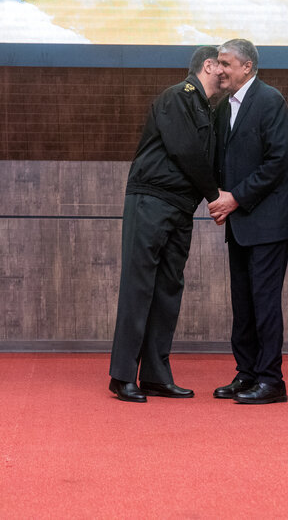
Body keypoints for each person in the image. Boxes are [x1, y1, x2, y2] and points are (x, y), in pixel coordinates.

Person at [108, 46, 225, 403]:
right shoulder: (177, 97)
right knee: (139, 285)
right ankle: (122, 375)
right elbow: (185, 149)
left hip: (178, 207)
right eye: (223, 65)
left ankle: (156, 376)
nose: (228, 72)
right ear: (209, 65)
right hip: (152, 201)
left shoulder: (207, 108)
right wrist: (215, 194)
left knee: (168, 290)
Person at [208, 39, 288, 405]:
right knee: (243, 302)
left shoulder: (270, 100)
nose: (219, 69)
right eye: (217, 63)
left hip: (269, 221)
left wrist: (235, 198)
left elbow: (277, 163)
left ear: (246, 67)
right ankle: (247, 373)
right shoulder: (222, 110)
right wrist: (217, 197)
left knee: (263, 302)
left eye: (225, 63)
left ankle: (271, 380)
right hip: (240, 221)